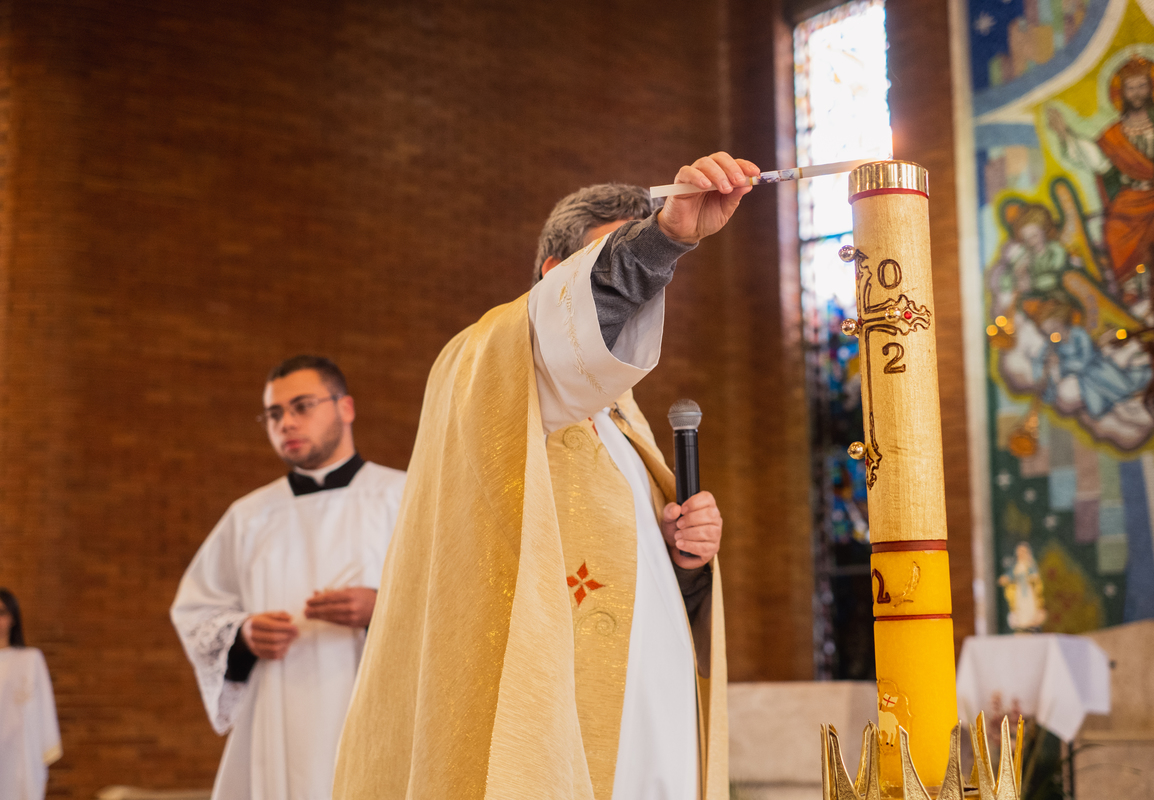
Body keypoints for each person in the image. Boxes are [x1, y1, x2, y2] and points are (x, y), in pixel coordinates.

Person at [333, 152, 756, 800]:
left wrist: (689, 561)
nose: (644, 290)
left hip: (657, 716)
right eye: (617, 261)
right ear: (557, 279)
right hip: (554, 721)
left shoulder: (625, 421)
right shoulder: (490, 363)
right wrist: (665, 236)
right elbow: (570, 321)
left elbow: (643, 579)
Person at [170, 356, 406, 800]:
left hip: (384, 712)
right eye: (274, 414)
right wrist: (242, 633)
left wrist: (382, 607)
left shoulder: (404, 496)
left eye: (302, 406)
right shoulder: (249, 516)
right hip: (277, 712)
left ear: (345, 408)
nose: (286, 423)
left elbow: (461, 597)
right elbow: (196, 609)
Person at [1047, 56, 1154, 306]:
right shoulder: (1113, 135)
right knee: (1115, 226)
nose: (1137, 93)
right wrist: (1065, 134)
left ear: (1152, 88)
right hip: (1130, 199)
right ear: (1122, 93)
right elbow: (1096, 159)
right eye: (1131, 88)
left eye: (1142, 86)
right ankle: (1130, 286)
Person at [0, 588, 62, 800]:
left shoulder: (30, 660)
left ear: (13, 618)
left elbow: (43, 711)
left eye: (1, 613)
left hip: (20, 758)